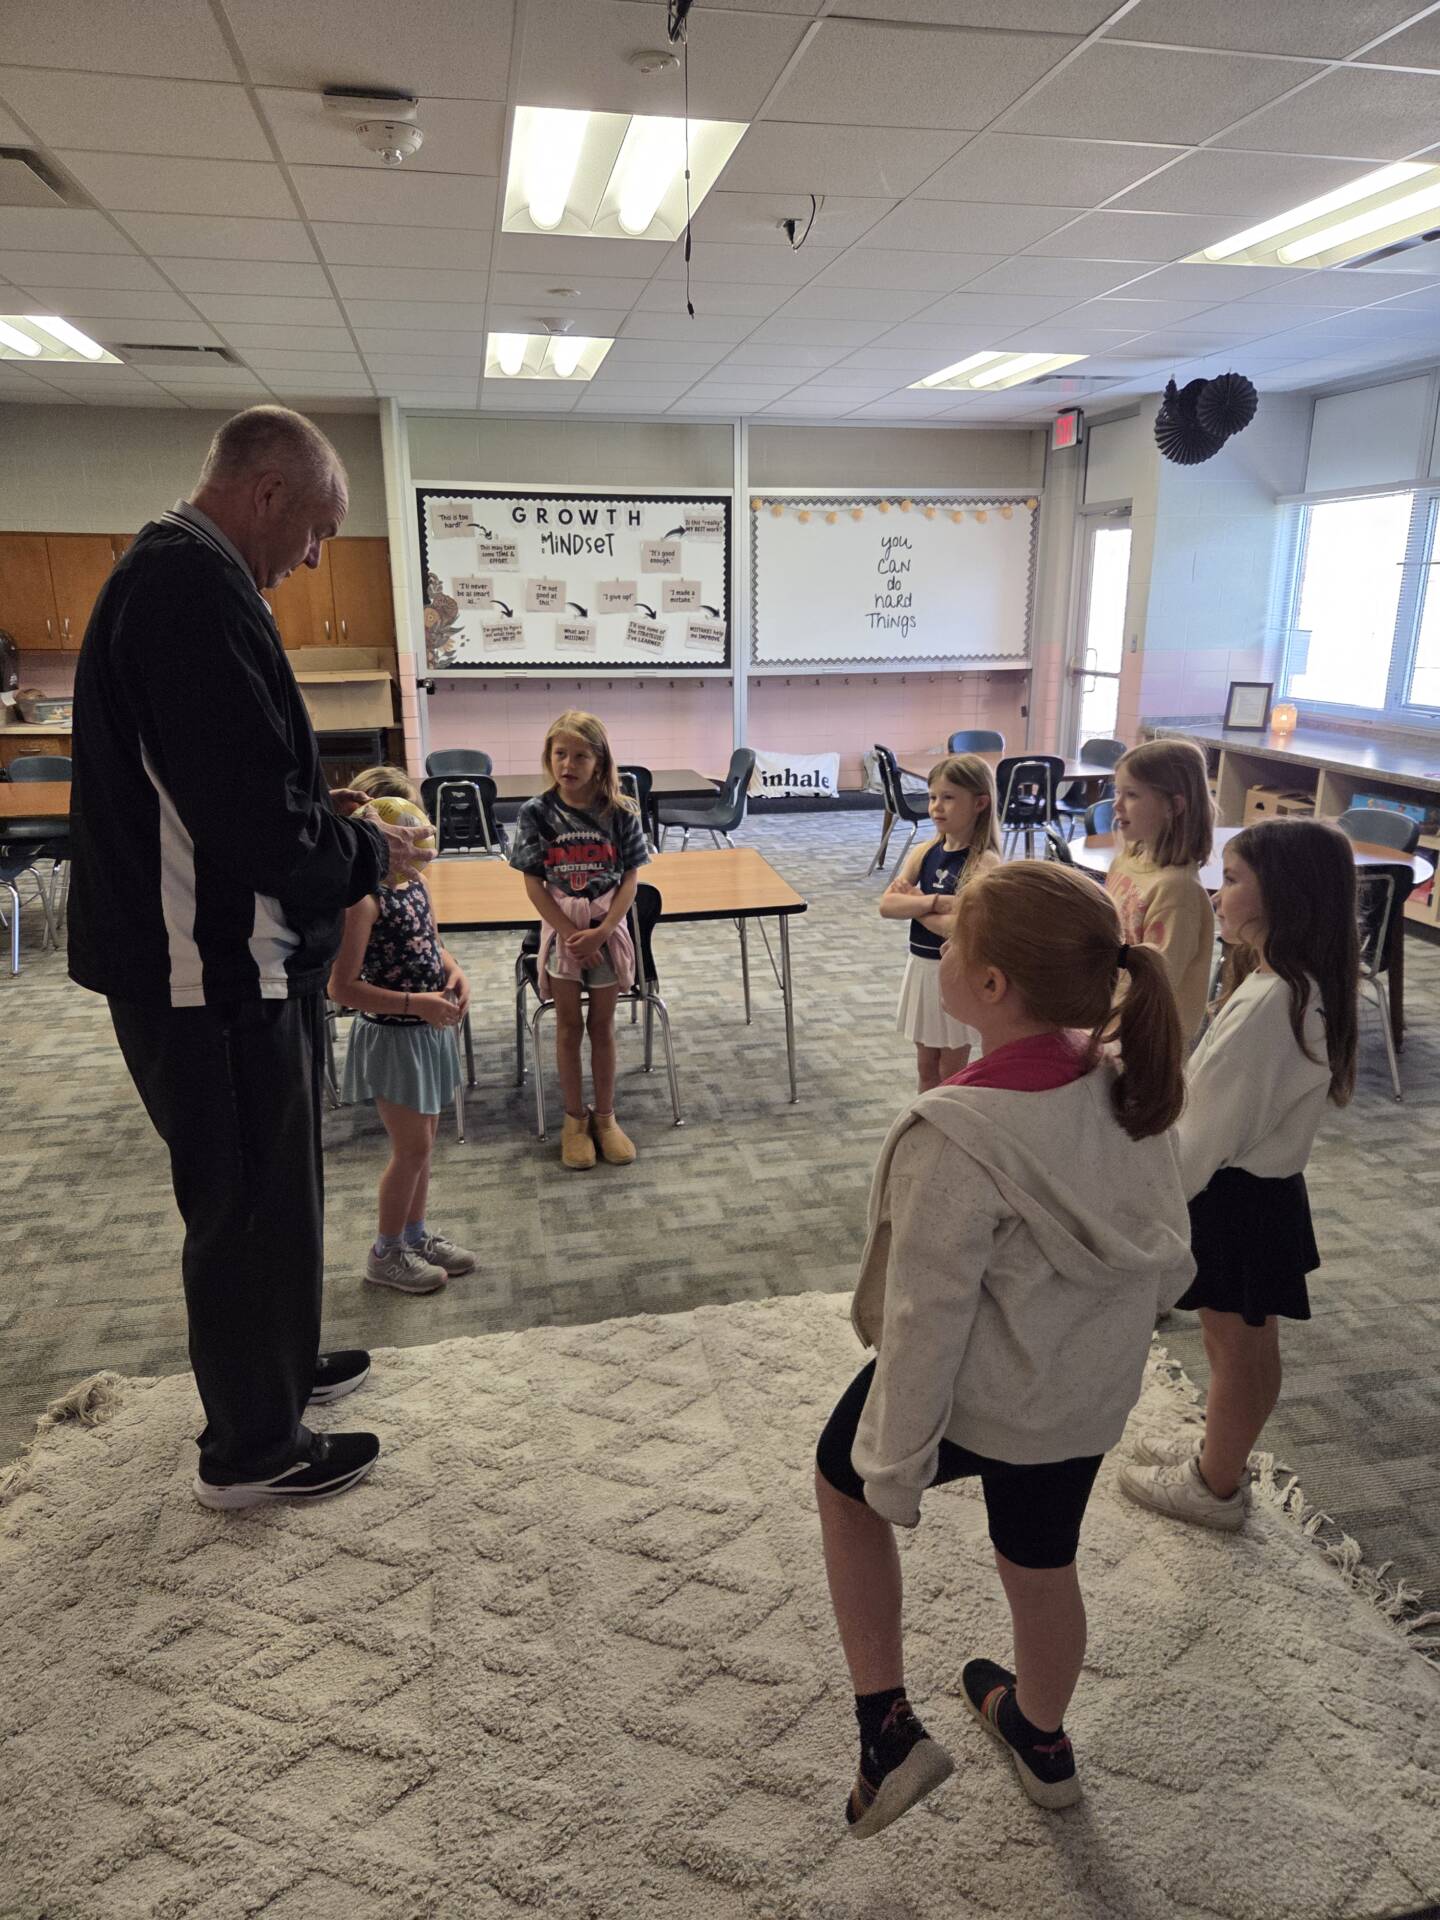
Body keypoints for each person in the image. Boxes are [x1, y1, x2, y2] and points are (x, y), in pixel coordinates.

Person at [67, 405, 433, 1511]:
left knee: (278, 1185)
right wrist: (368, 849)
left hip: (231, 958)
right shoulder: (186, 588)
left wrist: (337, 822)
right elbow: (246, 820)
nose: (314, 557)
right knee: (241, 1203)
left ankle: (273, 1373)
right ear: (266, 494)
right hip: (202, 969)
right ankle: (250, 1451)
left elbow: (235, 782)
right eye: (317, 529)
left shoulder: (187, 576)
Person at [815, 862, 1193, 1836]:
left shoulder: (959, 1133)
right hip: (1081, 1396)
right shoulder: (1127, 1086)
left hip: (983, 1395)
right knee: (1041, 1564)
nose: (939, 950)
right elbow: (1171, 1257)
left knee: (841, 1484)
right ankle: (1041, 1732)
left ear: (991, 989)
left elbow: (924, 1322)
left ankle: (886, 1728)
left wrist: (892, 1470)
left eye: (953, 943)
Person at [1118, 818, 1359, 1531]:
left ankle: (1216, 1484)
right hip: (1257, 1195)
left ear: (1283, 894)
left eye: (1233, 880)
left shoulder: (1274, 1001)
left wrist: (1153, 1200)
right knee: (1238, 1344)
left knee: (1238, 1346)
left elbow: (1206, 1130)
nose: (1217, 895)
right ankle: (1220, 1451)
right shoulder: (1290, 983)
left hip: (1239, 1199)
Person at [327, 766, 476, 1295]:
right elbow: (341, 989)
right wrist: (418, 1004)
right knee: (409, 1148)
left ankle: (414, 1235)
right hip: (393, 1037)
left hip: (427, 1030)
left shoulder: (417, 887)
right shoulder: (362, 901)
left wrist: (453, 973)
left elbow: (431, 945)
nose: (414, 849)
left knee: (425, 1145)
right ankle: (385, 1252)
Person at [508, 711, 648, 1170]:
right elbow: (532, 882)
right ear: (549, 757)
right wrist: (570, 935)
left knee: (602, 1027)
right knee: (567, 1027)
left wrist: (604, 930)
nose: (568, 763)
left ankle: (605, 1118)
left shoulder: (620, 811)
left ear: (600, 760)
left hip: (607, 930)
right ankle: (574, 1119)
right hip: (563, 935)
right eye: (560, 753)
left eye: (581, 755)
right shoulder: (536, 812)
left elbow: (630, 879)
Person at [880, 753, 1000, 1090]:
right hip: (921, 968)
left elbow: (965, 929)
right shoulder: (925, 850)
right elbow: (887, 906)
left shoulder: (984, 862)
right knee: (925, 1066)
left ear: (980, 803)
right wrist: (934, 903)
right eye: (933, 797)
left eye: (948, 798)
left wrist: (915, 904)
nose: (936, 807)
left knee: (952, 1069)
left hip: (956, 972)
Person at [1105, 740, 1217, 1046]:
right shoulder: (1127, 860)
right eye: (1117, 792)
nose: (1116, 805)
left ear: (1174, 806)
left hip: (1144, 1040)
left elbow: (1155, 983)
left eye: (1132, 795)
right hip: (1108, 1021)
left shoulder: (1176, 891)